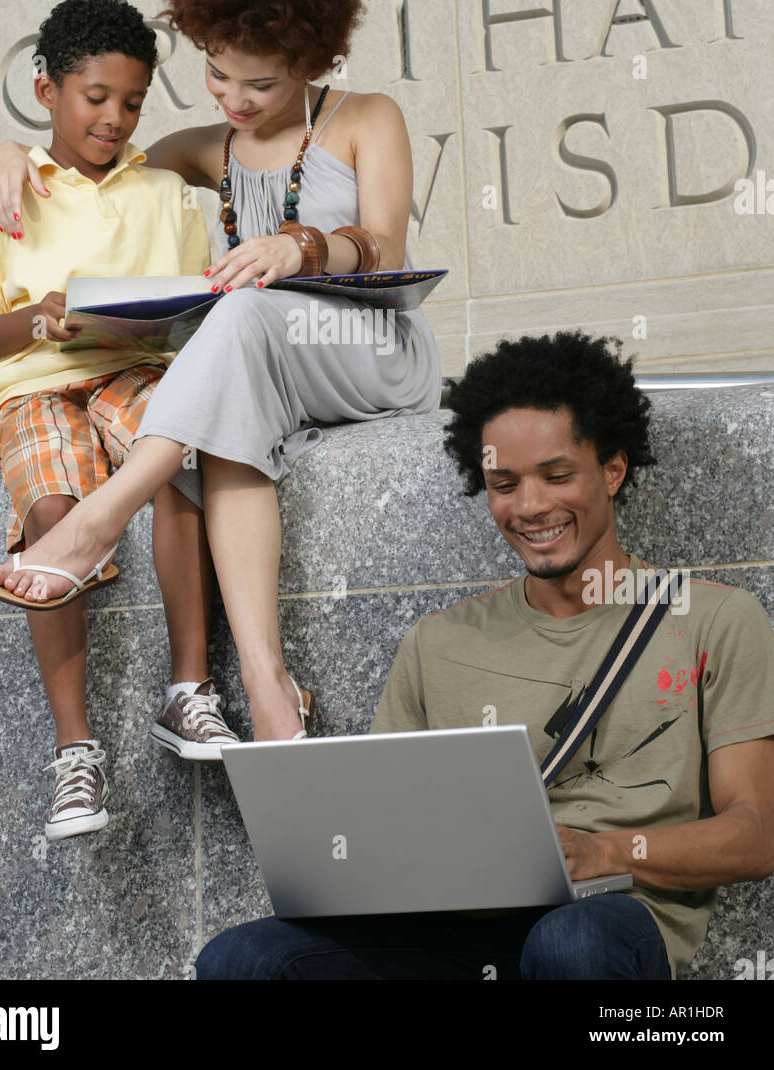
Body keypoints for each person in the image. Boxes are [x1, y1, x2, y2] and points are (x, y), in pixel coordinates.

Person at [0, 0, 442, 745]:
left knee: (243, 310)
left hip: (367, 349)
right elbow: (91, 158)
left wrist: (297, 248)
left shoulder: (368, 117)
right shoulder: (208, 148)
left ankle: (97, 521)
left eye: (259, 85)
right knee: (223, 433)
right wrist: (10, 150)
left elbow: (383, 250)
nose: (234, 99)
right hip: (264, 360)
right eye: (217, 76)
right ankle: (270, 691)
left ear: (312, 61)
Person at [193, 331, 774, 980]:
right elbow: (380, 829)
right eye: (505, 483)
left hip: (603, 922)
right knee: (240, 959)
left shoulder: (715, 621)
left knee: (569, 944)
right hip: (451, 938)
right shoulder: (437, 643)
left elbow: (756, 833)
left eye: (557, 476)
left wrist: (601, 853)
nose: (530, 507)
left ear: (613, 469)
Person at [0, 0, 237, 841]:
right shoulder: (11, 196)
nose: (114, 117)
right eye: (94, 97)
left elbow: (198, 306)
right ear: (46, 92)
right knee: (52, 509)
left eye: (134, 101)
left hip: (137, 368)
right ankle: (76, 752)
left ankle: (190, 691)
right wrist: (42, 314)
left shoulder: (168, 195)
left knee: (181, 459)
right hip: (33, 382)